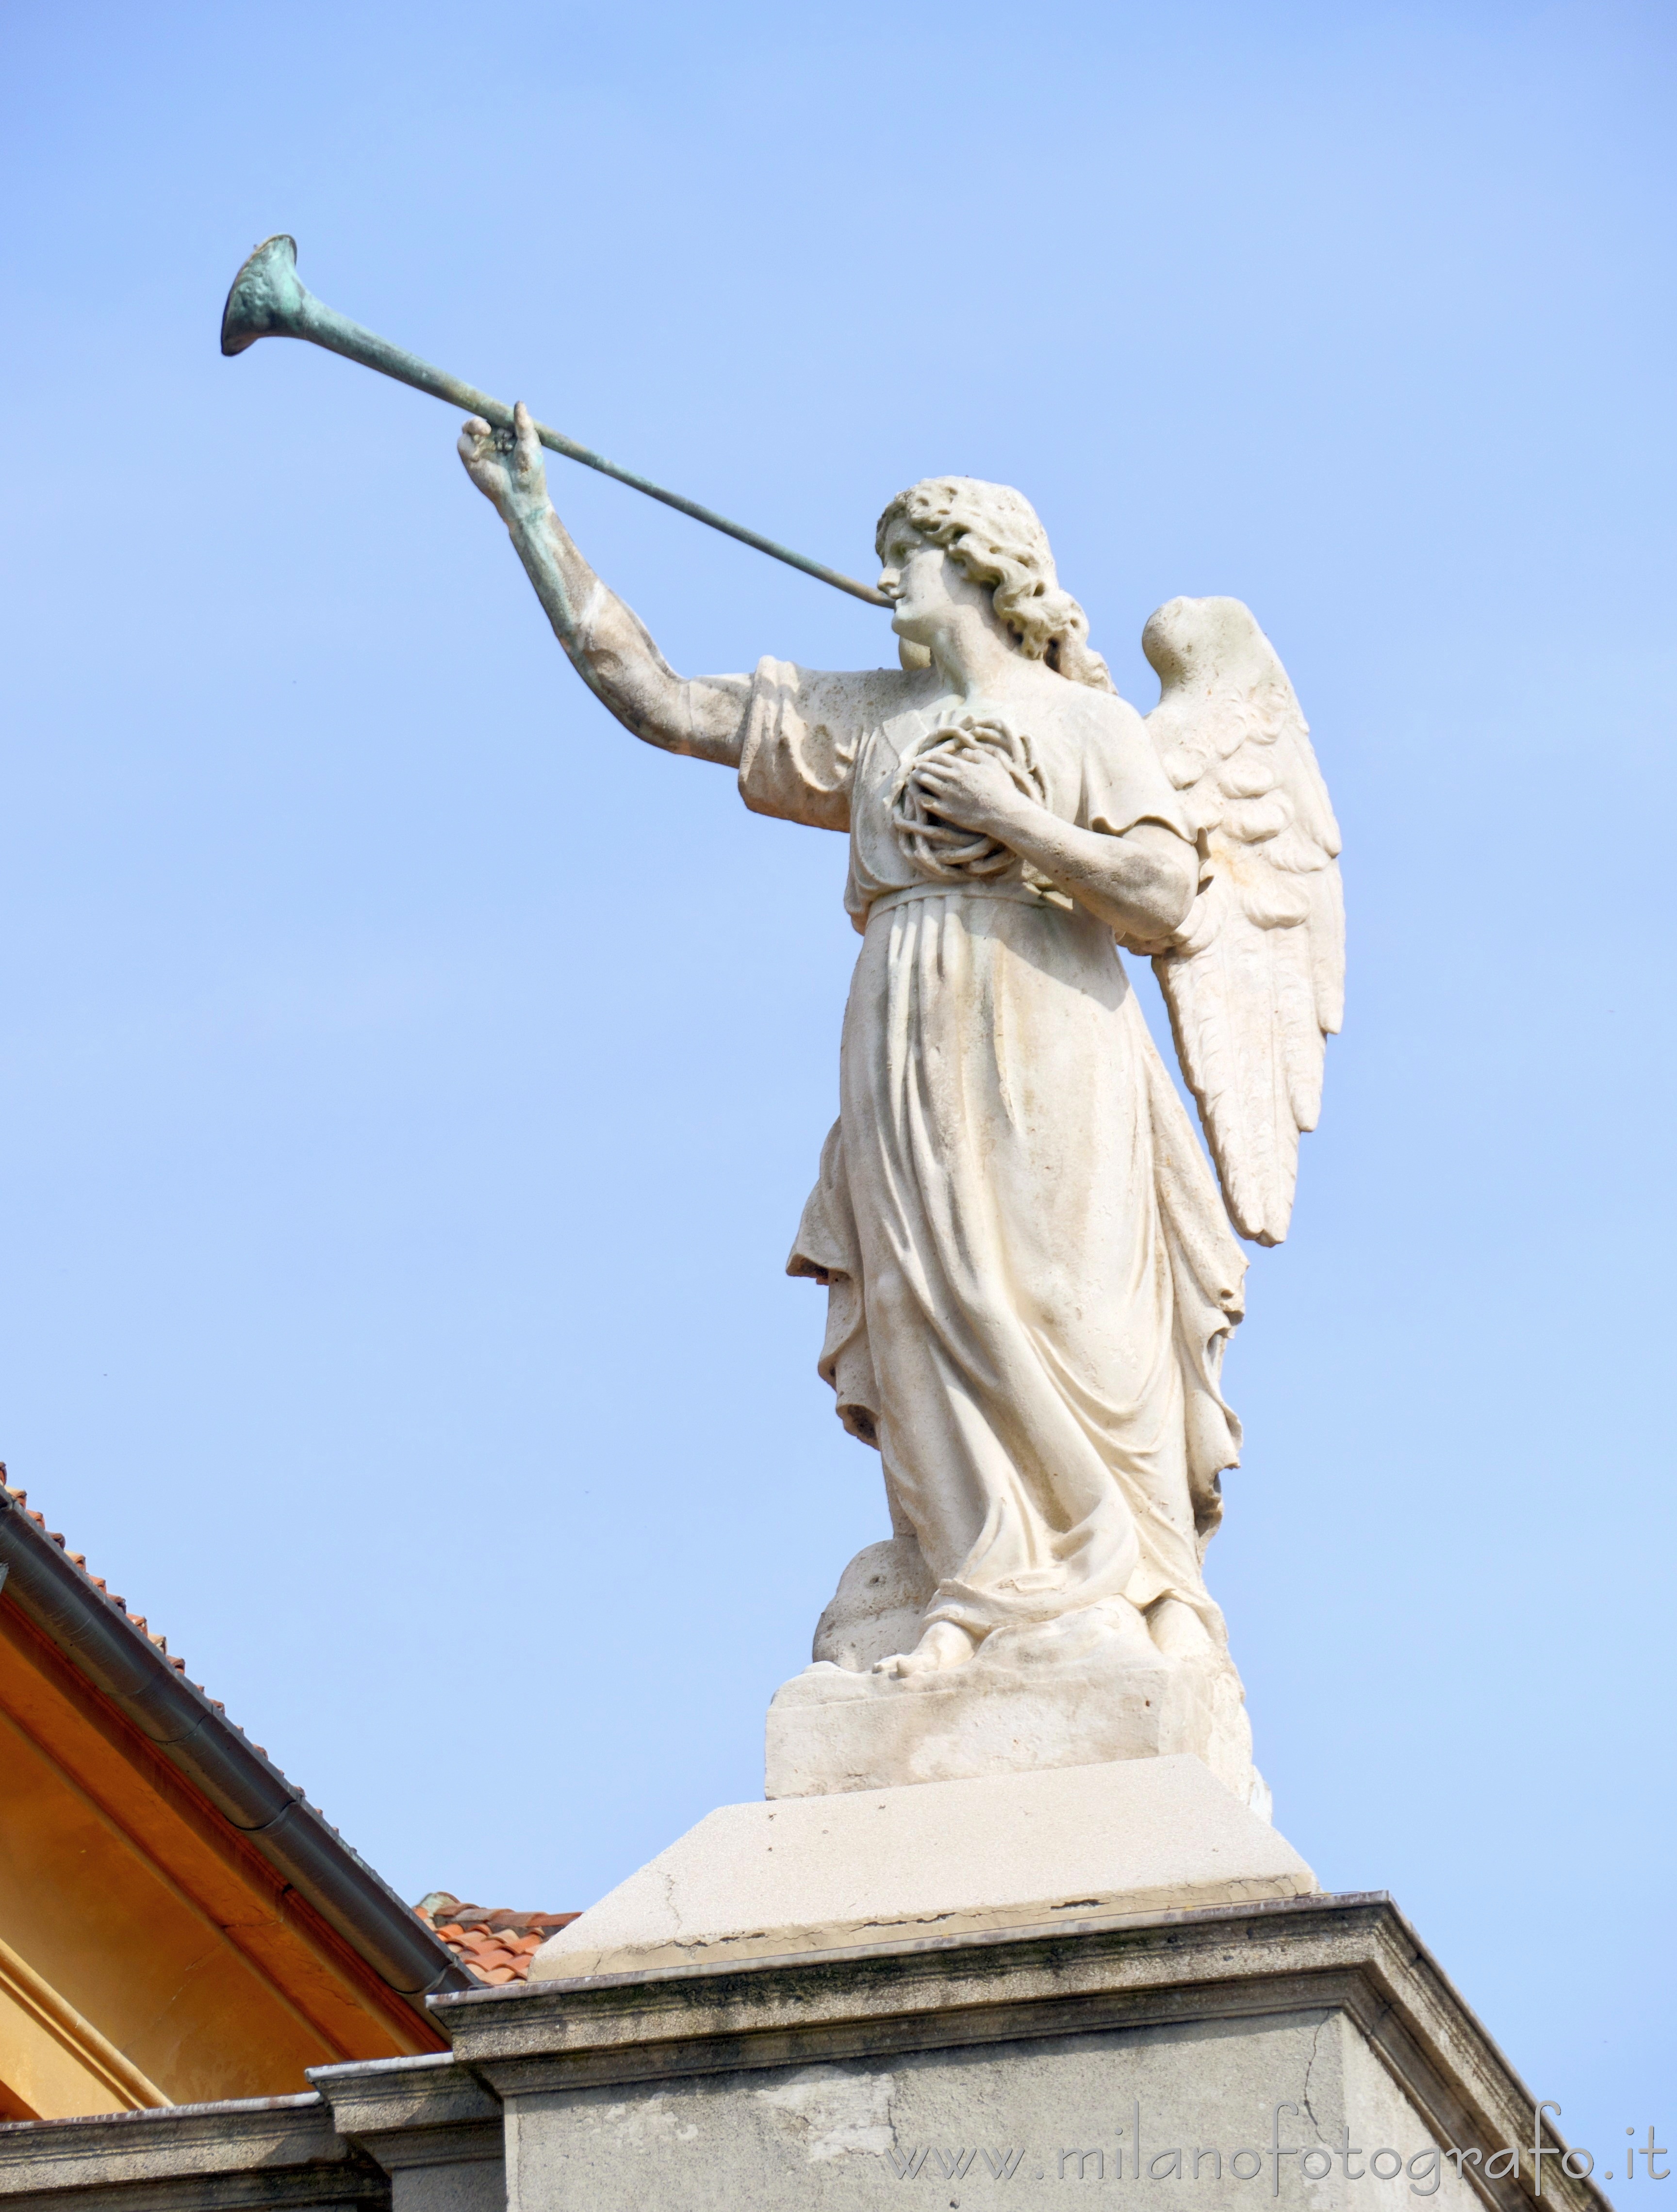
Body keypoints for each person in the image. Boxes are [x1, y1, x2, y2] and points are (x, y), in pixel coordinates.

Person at [460, 406, 1247, 1681]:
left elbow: (1161, 899)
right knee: (927, 1298)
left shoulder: (1087, 725)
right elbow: (659, 701)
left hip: (1048, 1025)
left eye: (910, 558)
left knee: (1065, 1300)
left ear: (982, 568)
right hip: (905, 1028)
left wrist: (1016, 821)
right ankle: (977, 1585)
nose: (888, 581)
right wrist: (532, 519)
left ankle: (1135, 1581)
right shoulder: (870, 717)